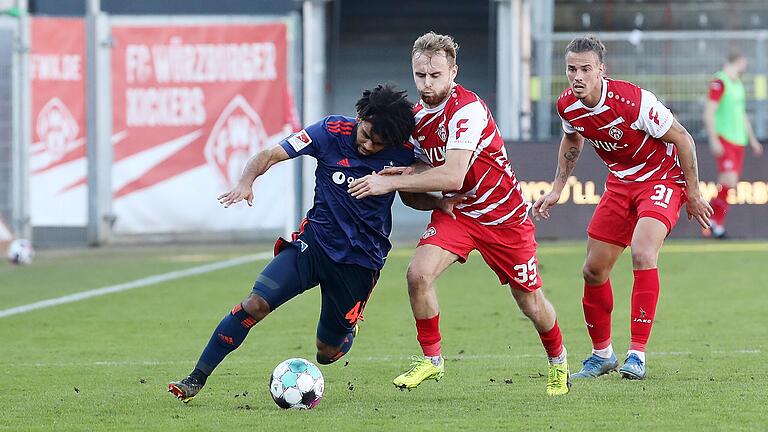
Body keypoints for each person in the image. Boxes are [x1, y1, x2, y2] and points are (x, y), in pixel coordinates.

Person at [348, 32, 570, 396]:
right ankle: (432, 361)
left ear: (453, 71)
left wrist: (389, 184)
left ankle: (558, 361)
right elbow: (422, 168)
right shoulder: (416, 118)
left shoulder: (467, 109)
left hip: (504, 218)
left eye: (435, 75)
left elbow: (452, 174)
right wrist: (402, 174)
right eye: (420, 75)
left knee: (529, 303)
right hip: (459, 212)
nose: (427, 83)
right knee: (418, 274)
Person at [168, 84, 418, 403]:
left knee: (327, 352)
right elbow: (272, 153)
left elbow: (416, 195)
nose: (369, 145)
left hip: (360, 263)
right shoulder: (330, 131)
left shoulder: (403, 153)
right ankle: (195, 379)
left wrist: (432, 198)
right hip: (312, 247)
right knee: (254, 304)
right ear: (360, 117)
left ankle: (348, 331)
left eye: (378, 144)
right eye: (367, 134)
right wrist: (246, 181)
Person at [532, 36, 713, 380]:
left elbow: (683, 139)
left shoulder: (633, 101)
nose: (578, 76)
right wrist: (557, 188)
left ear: (601, 70)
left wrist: (692, 191)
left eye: (586, 69)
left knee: (643, 253)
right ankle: (602, 355)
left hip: (662, 179)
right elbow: (572, 139)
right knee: (592, 270)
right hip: (620, 184)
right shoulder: (568, 105)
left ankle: (637, 355)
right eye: (572, 69)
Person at [703, 51, 764, 239]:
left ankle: (713, 221)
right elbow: (709, 111)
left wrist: (752, 140)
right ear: (739, 61)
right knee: (728, 179)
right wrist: (713, 138)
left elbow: (742, 114)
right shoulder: (720, 82)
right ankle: (712, 221)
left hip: (738, 140)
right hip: (725, 138)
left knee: (730, 183)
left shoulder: (737, 84)